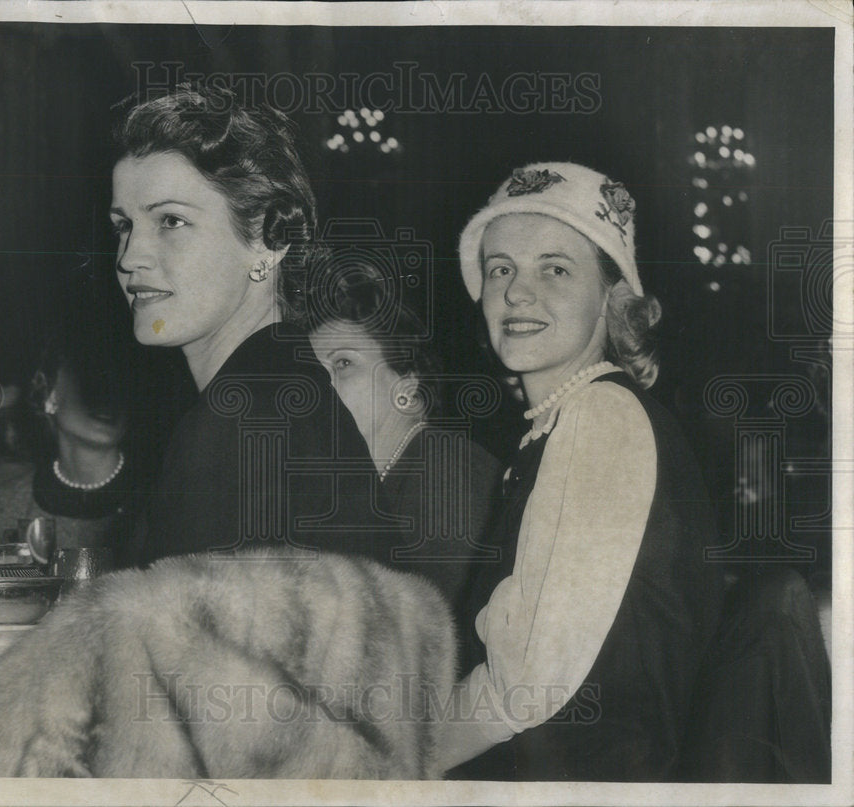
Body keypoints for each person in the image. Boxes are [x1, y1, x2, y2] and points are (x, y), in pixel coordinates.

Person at [440, 163, 725, 780]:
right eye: (500, 269)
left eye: (556, 269)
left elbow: (526, 687)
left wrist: (399, 756)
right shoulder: (560, 423)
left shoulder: (603, 416)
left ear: (611, 300)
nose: (517, 291)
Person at [110, 83, 385, 566]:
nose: (130, 257)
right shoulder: (279, 394)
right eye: (123, 225)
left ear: (268, 240)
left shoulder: (241, 421)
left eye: (170, 221)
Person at [307, 259, 503, 640]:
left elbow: (436, 653)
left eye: (344, 364)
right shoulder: (374, 487)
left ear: (407, 386)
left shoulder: (446, 473)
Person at [0, 329, 134, 553]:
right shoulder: (1, 506)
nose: (106, 396)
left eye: (120, 381)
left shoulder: (161, 498)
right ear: (50, 394)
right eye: (90, 378)